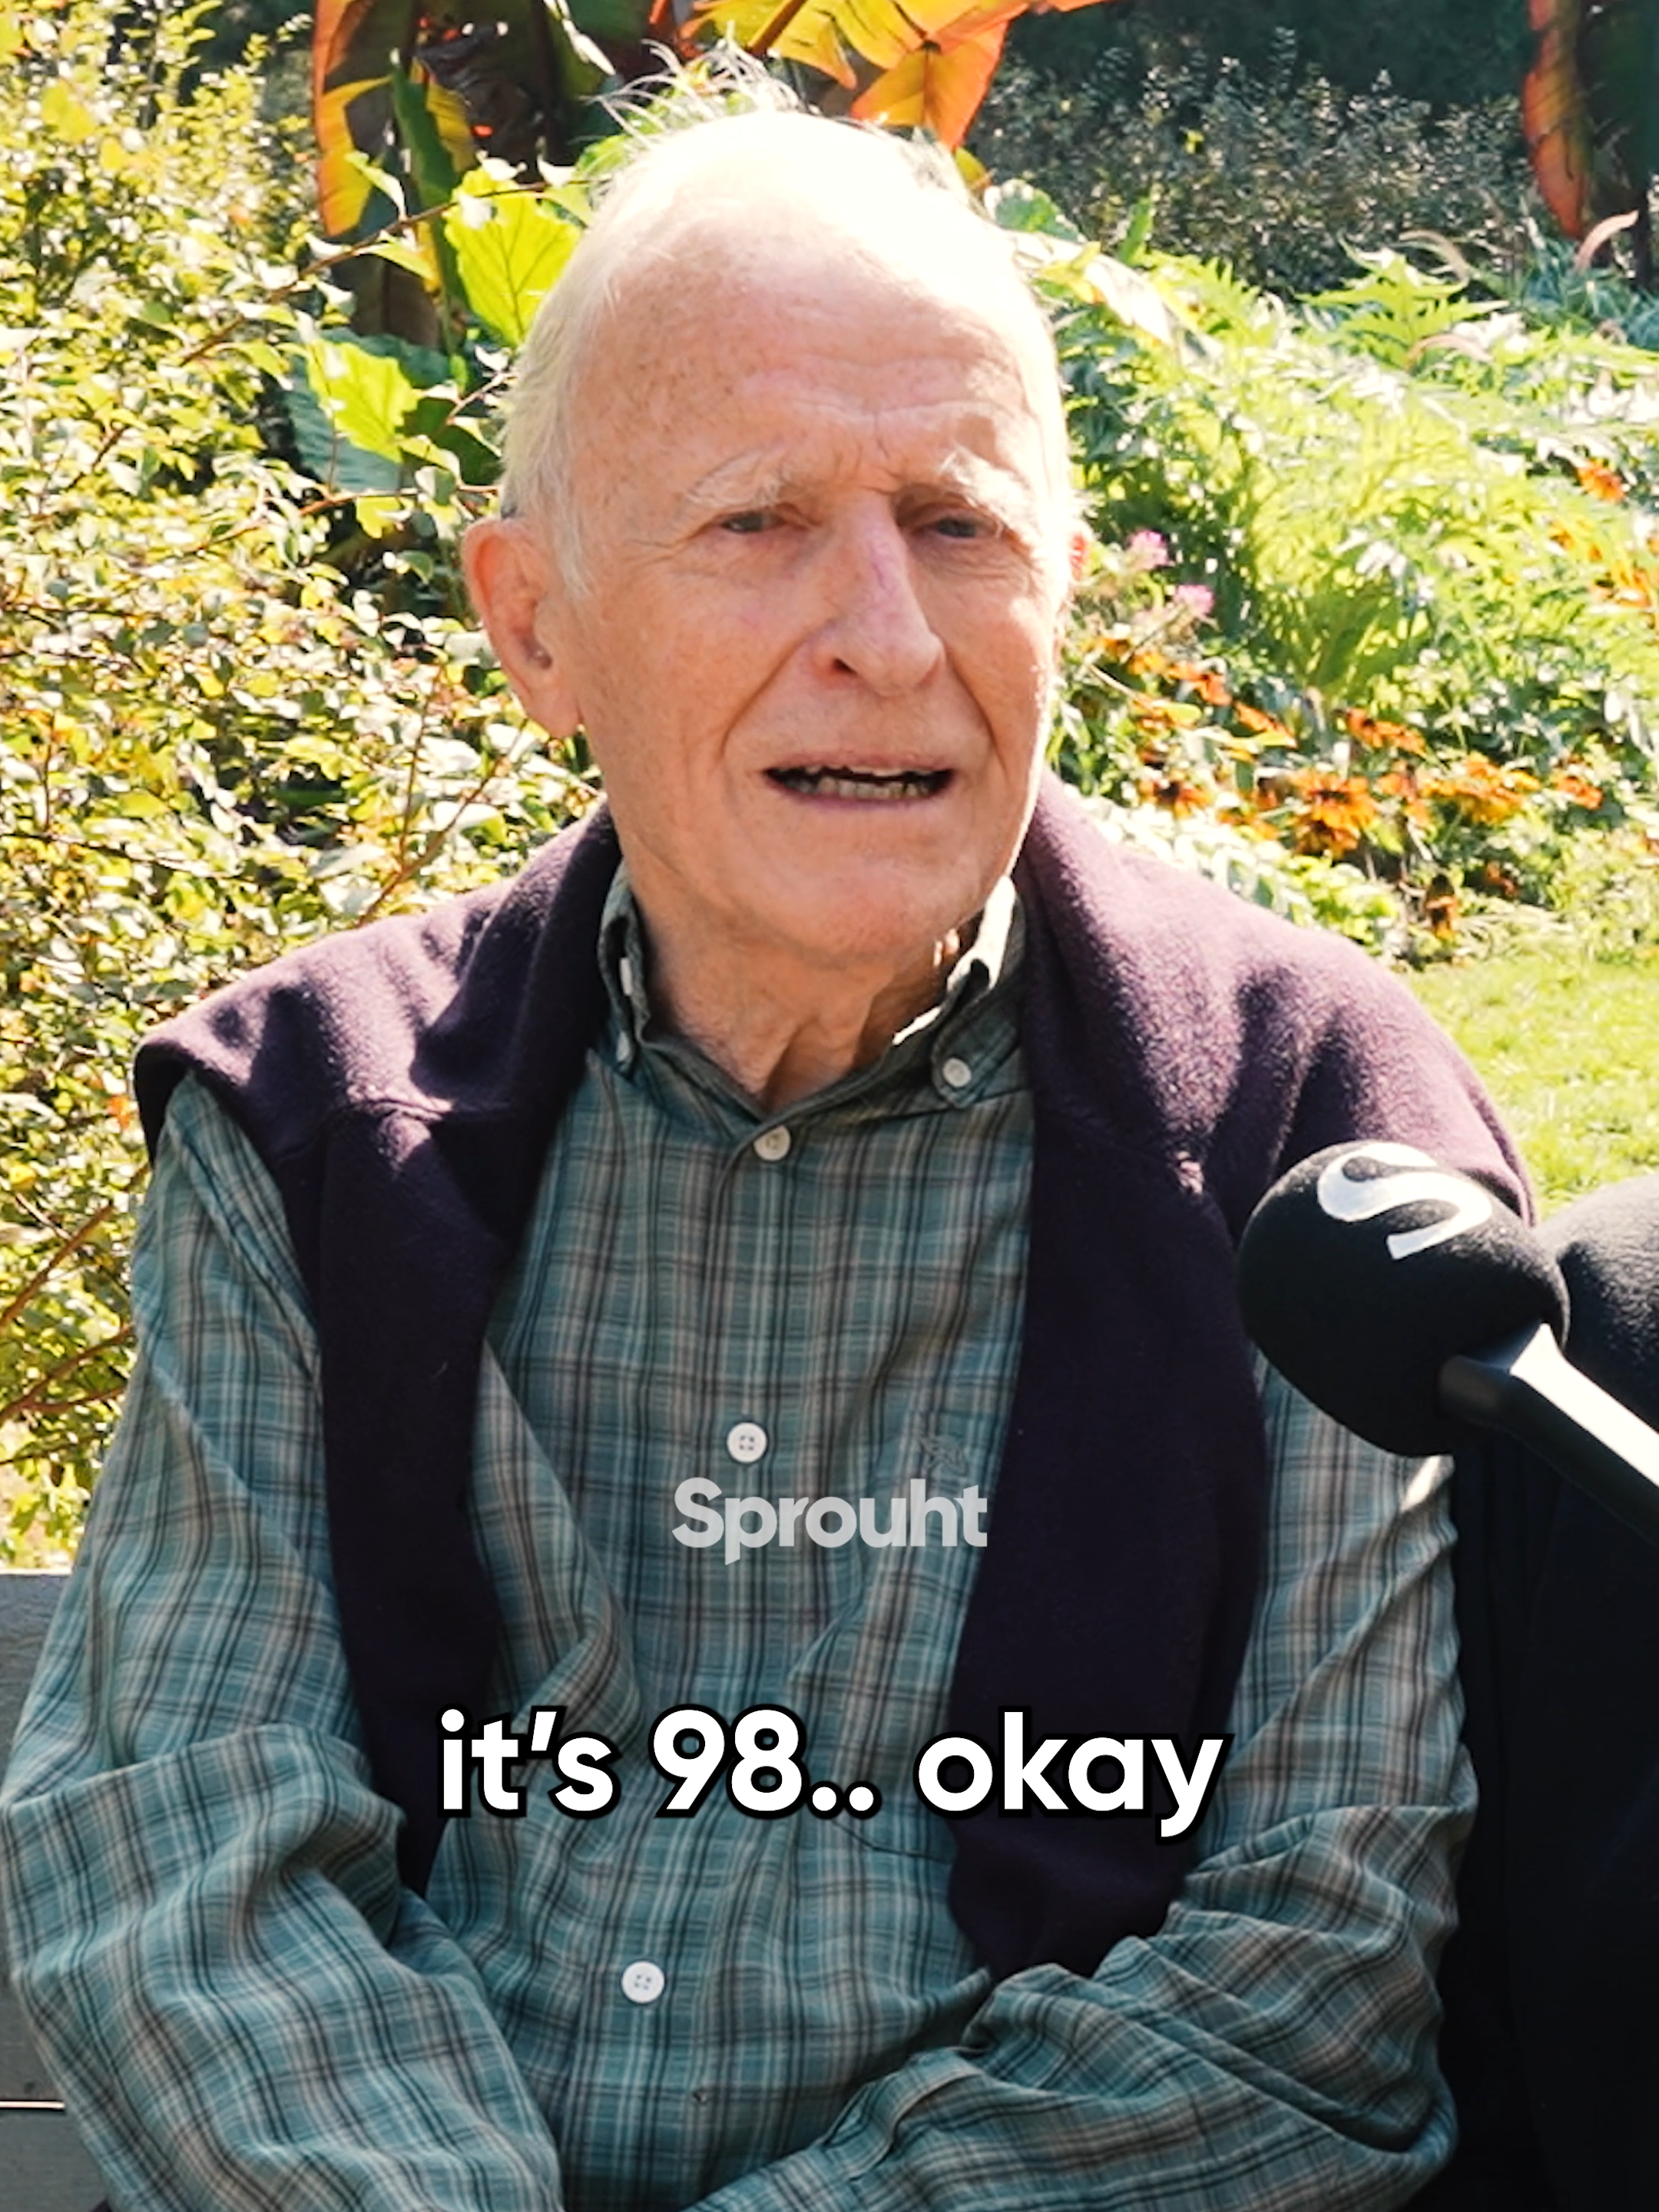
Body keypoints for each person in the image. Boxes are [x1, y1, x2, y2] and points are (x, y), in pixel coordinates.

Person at [0, 98, 1529, 2212]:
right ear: (535, 626)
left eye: (962, 522)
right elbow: (185, 1838)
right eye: (758, 524)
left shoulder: (1314, 1126)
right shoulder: (313, 1125)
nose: (888, 635)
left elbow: (1319, 1953)